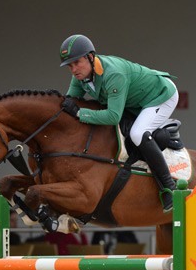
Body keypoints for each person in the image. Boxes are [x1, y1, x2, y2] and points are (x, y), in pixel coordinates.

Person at [59, 34, 179, 212]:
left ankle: (170, 188)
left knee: (137, 133)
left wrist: (79, 113)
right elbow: (71, 101)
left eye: (77, 62)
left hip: (161, 96)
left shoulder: (113, 74)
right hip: (136, 101)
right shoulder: (80, 76)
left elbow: (113, 116)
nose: (74, 69)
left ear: (91, 57)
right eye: (70, 65)